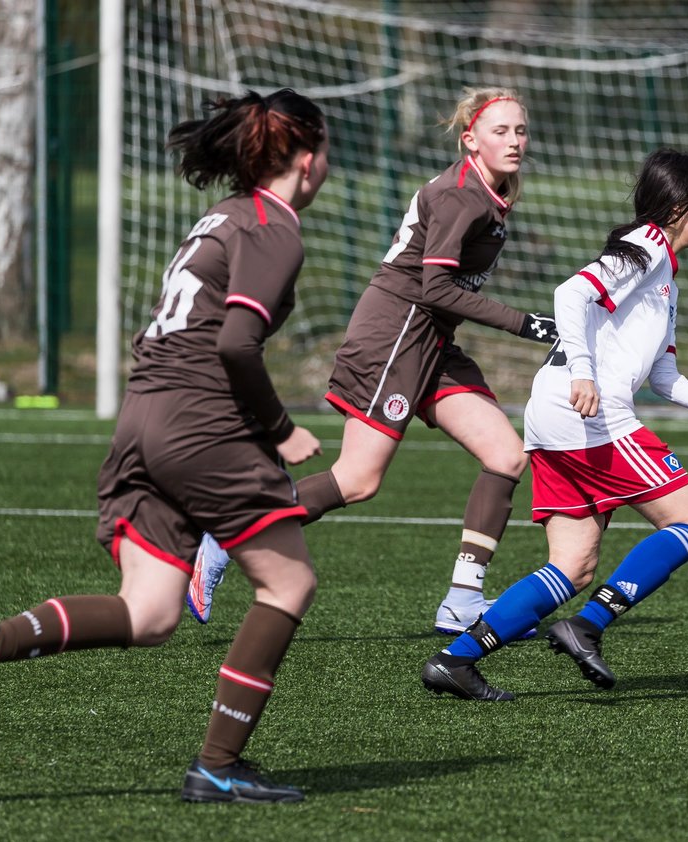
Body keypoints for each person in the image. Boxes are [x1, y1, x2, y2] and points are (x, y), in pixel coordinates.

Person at [0, 89, 330, 802]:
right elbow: (236, 344)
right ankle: (217, 767)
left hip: (142, 413)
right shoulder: (274, 228)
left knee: (151, 612)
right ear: (308, 161)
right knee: (289, 582)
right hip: (198, 420)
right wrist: (281, 430)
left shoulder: (219, 217)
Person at [186, 86, 557, 638]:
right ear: (469, 140)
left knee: (505, 456)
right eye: (500, 131)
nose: (514, 141)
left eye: (520, 130)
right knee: (357, 480)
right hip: (395, 335)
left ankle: (462, 599)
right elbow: (435, 289)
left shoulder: (493, 192)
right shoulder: (463, 196)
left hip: (429, 342)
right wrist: (526, 323)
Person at [420, 148, 688, 701]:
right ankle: (590, 624)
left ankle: (456, 660)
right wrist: (583, 371)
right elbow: (571, 293)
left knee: (572, 566)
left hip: (556, 416)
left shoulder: (663, 268)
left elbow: (663, 373)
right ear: (677, 207)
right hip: (588, 415)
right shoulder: (649, 245)